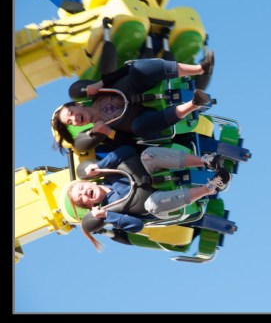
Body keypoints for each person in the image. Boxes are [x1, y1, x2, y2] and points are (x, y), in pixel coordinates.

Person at [64, 144, 231, 251]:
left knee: (147, 155)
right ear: (88, 205)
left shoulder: (110, 174)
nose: (83, 193)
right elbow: (136, 226)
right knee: (152, 204)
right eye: (81, 198)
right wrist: (107, 216)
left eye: (81, 188)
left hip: (152, 172)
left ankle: (207, 161)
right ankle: (210, 188)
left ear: (89, 183)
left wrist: (100, 166)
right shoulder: (111, 210)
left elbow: (127, 150)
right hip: (157, 200)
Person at [51, 52, 215, 153]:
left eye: (71, 114)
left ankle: (200, 69)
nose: (74, 119)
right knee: (139, 127)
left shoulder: (96, 92)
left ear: (77, 105)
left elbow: (125, 70)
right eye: (70, 122)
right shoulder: (102, 132)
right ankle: (195, 103)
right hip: (141, 116)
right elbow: (131, 145)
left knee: (137, 70)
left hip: (136, 88)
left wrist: (99, 84)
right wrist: (109, 133)